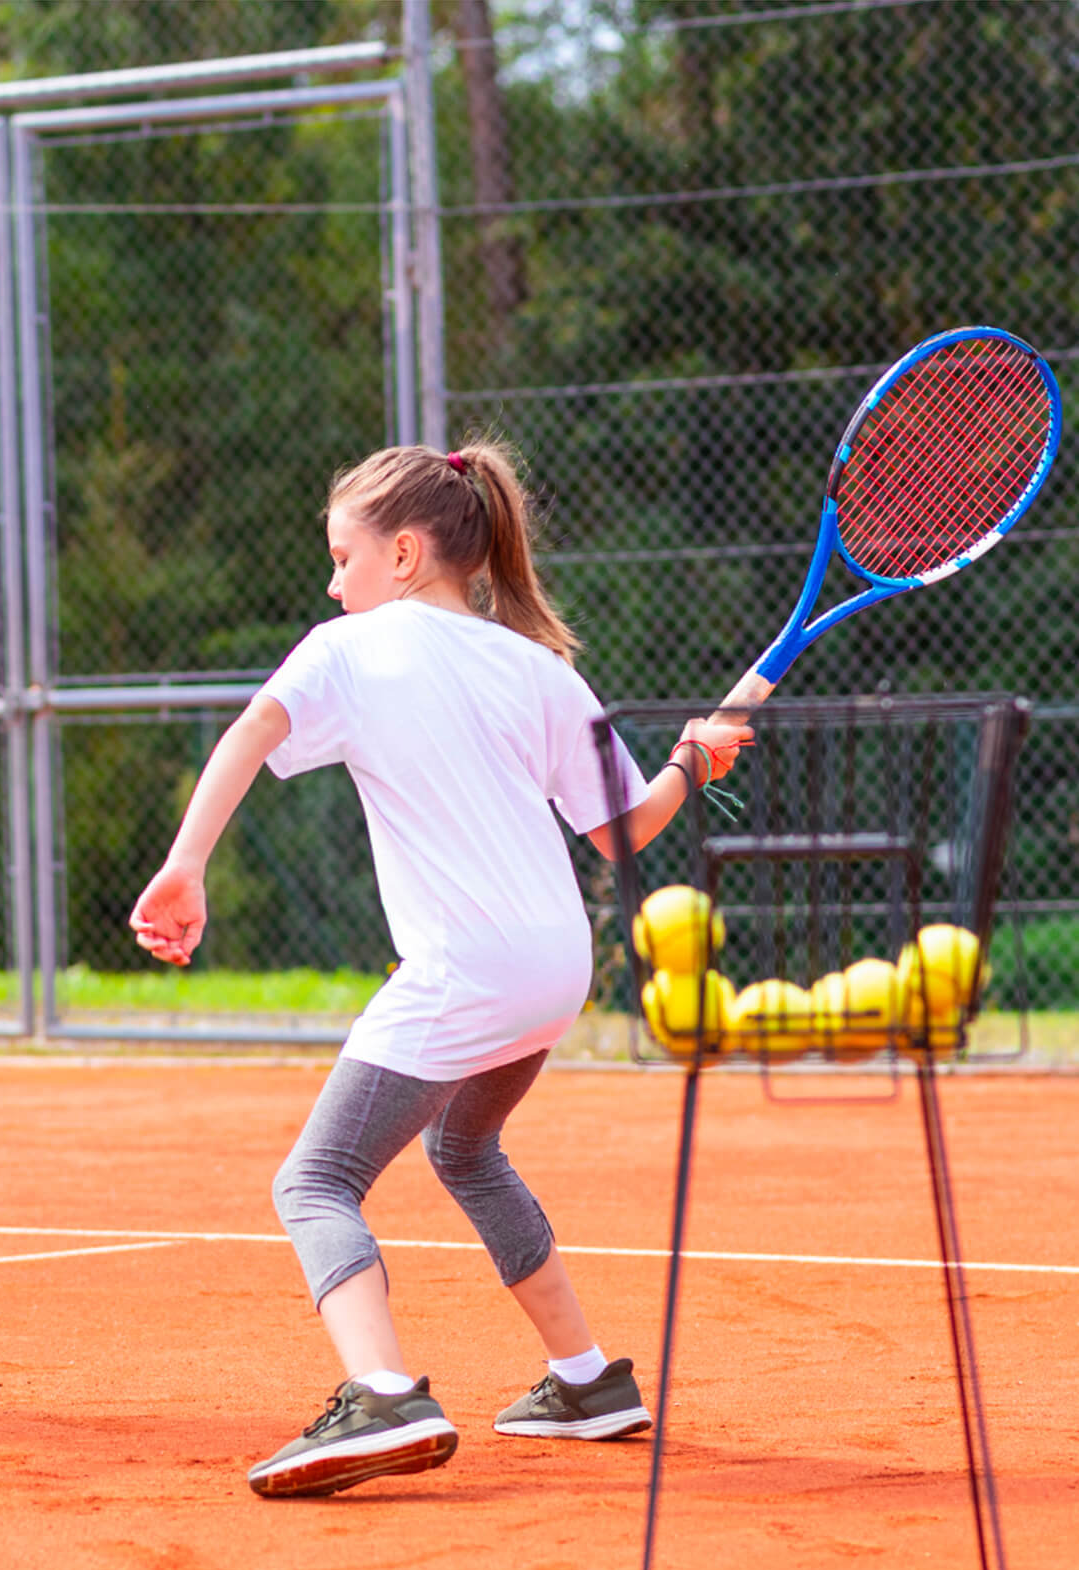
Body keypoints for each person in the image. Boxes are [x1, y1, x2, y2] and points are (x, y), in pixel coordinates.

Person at [130, 440, 749, 1500]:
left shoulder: (348, 646)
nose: (332, 582)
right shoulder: (540, 667)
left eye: (342, 556)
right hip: (554, 968)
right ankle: (585, 1379)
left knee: (314, 1182)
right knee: (464, 1149)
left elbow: (248, 734)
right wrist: (692, 759)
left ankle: (378, 1392)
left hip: (466, 970)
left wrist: (184, 867)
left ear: (406, 553)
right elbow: (623, 829)